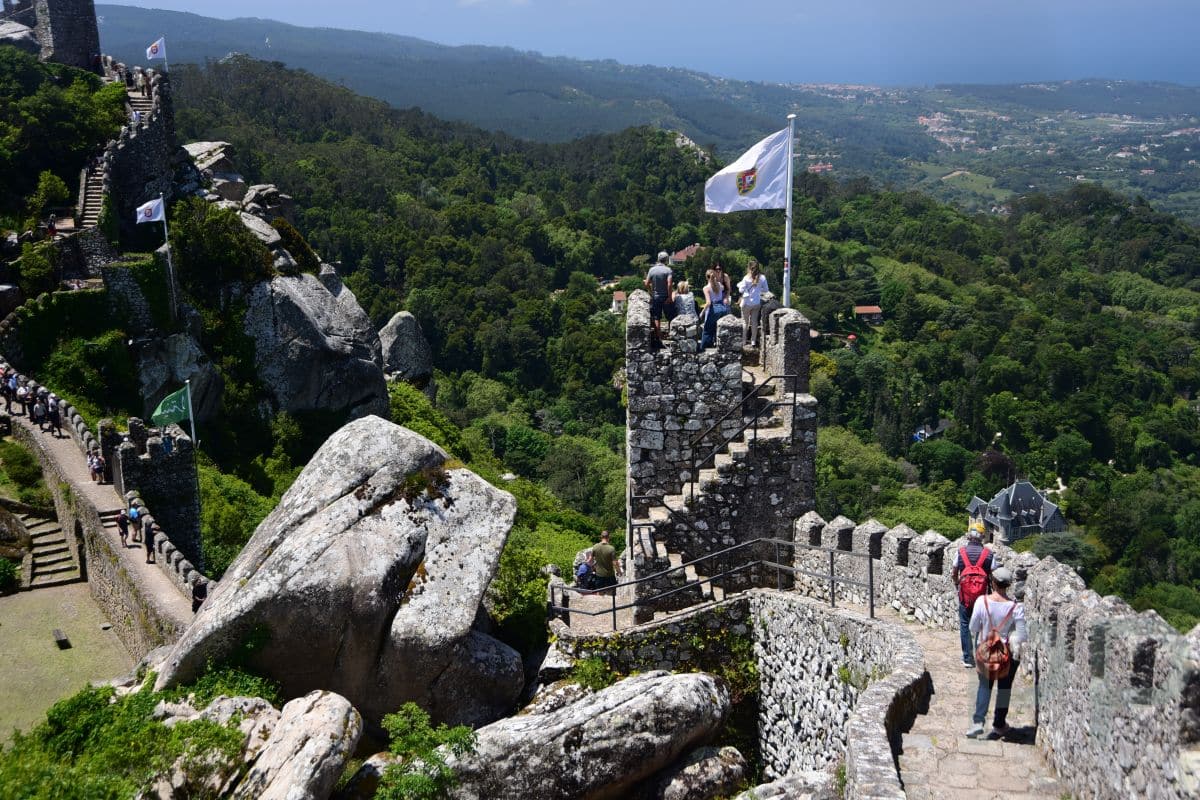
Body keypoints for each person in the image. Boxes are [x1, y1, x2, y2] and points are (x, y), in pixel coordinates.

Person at [966, 567, 1026, 739]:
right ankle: (999, 724)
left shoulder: (981, 601)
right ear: (1008, 585)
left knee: (985, 686)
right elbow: (1022, 635)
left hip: (985, 650)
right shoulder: (1015, 607)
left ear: (992, 582)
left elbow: (973, 627)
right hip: (1006, 652)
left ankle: (978, 722)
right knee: (1004, 688)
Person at [951, 522, 994, 667]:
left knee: (964, 625)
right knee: (983, 626)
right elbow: (993, 575)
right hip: (983, 597)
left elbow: (954, 571)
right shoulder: (988, 554)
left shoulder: (961, 552)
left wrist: (957, 583)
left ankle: (968, 659)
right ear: (982, 537)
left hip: (965, 596)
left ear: (969, 535)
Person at [737, 259, 769, 347]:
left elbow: (741, 290)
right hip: (756, 303)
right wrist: (758, 290)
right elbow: (766, 290)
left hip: (746, 303)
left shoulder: (746, 278)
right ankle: (753, 341)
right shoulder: (762, 278)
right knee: (754, 322)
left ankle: (743, 341)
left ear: (749, 267)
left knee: (745, 322)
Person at [644, 251, 674, 343]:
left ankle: (659, 337)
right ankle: (671, 334)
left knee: (657, 317)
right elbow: (669, 284)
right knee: (670, 317)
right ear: (666, 259)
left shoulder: (652, 270)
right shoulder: (668, 270)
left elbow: (646, 283)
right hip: (665, 297)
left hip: (656, 297)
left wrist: (651, 293)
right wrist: (669, 297)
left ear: (658, 259)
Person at [700, 267, 732, 349]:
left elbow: (708, 302)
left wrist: (702, 312)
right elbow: (725, 290)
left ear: (706, 277)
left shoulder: (706, 288)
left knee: (707, 330)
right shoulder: (720, 285)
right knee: (718, 328)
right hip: (722, 308)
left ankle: (704, 348)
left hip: (714, 309)